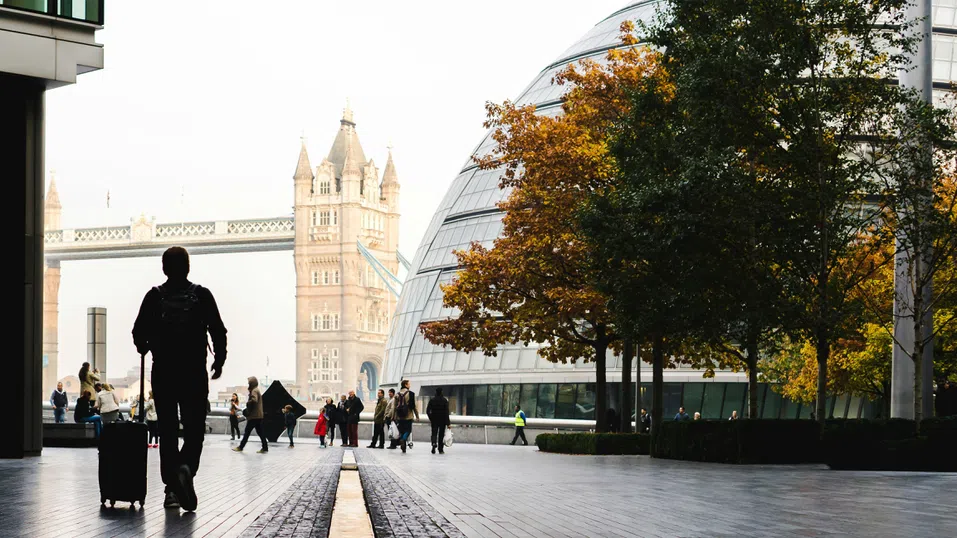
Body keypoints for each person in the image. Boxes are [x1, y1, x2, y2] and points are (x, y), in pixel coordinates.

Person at [132, 246, 228, 512]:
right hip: (194, 374)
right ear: (188, 267)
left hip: (163, 374)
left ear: (164, 268)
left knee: (168, 430)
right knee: (195, 429)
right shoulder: (202, 295)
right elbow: (219, 330)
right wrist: (219, 361)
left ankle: (171, 489)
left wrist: (147, 344)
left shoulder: (154, 297)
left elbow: (138, 335)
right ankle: (186, 468)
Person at [234, 376, 267, 455]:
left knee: (247, 432)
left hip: (254, 416)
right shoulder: (257, 390)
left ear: (252, 383)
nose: (248, 384)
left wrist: (248, 403)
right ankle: (265, 447)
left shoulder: (254, 391)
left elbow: (254, 400)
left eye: (249, 383)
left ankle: (241, 447)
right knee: (260, 432)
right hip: (258, 416)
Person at [394, 379, 419, 453]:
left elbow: (394, 406)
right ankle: (403, 439)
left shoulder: (397, 394)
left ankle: (403, 446)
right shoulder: (411, 394)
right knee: (408, 430)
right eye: (409, 384)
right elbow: (414, 406)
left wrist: (394, 416)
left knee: (401, 431)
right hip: (408, 415)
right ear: (405, 385)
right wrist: (417, 415)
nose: (409, 385)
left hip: (399, 416)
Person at [426, 387, 451, 454]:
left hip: (434, 419)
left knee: (434, 433)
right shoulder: (445, 400)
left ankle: (434, 444)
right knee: (441, 434)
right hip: (442, 420)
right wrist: (448, 423)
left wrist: (431, 418)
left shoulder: (432, 400)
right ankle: (440, 449)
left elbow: (427, 411)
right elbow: (446, 412)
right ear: (442, 392)